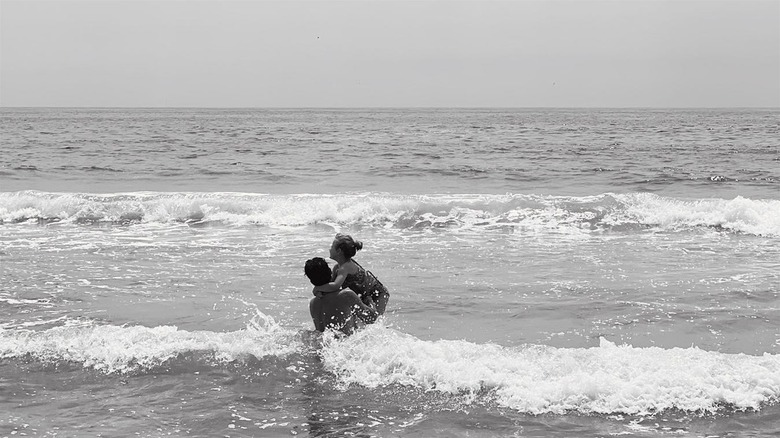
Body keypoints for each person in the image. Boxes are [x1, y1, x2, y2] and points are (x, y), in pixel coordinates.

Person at [312, 234, 390, 315]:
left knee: (374, 320)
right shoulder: (337, 268)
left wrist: (317, 288)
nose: (329, 249)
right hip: (365, 294)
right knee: (362, 319)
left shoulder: (345, 268)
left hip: (378, 293)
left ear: (339, 251)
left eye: (332, 247)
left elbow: (335, 285)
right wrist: (320, 292)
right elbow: (330, 287)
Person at [305, 257, 377, 335]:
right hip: (345, 344)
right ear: (330, 272)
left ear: (311, 281)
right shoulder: (346, 295)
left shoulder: (313, 303)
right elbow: (371, 318)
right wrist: (369, 299)